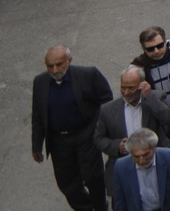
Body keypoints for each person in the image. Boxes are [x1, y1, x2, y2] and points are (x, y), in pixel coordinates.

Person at [35, 45, 115, 211]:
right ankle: (85, 208)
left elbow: (106, 100)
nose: (55, 69)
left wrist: (98, 128)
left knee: (94, 178)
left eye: (59, 64)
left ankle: (100, 208)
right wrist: (36, 144)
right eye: (50, 66)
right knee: (67, 183)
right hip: (59, 141)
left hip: (85, 135)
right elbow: (38, 115)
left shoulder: (88, 75)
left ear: (69, 61)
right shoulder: (40, 82)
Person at [109, 126, 170, 211]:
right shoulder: (121, 166)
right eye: (136, 157)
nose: (141, 160)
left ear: (154, 148)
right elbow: (120, 202)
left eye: (146, 155)